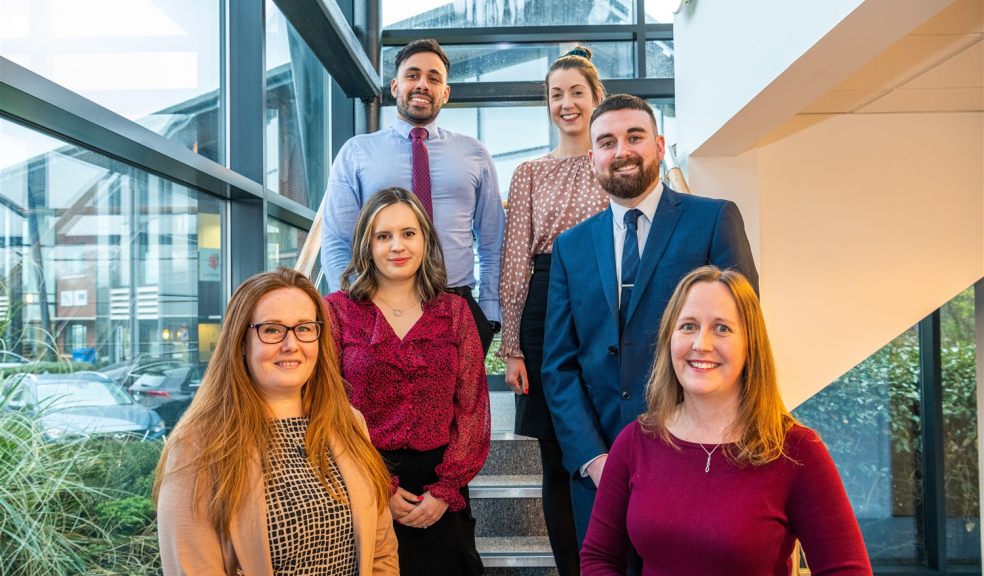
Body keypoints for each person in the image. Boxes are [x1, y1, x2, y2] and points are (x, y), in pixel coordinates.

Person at [541, 93, 759, 547]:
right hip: (600, 475)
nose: (621, 151)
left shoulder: (714, 219)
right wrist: (594, 459)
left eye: (634, 137)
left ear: (659, 145)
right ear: (592, 158)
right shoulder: (570, 247)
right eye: (607, 142)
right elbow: (558, 366)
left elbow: (740, 341)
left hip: (698, 459)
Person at [581, 266, 873, 574]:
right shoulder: (635, 441)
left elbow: (847, 570)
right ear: (669, 339)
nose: (701, 344)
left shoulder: (796, 450)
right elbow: (599, 557)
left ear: (750, 345)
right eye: (689, 326)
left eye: (722, 328)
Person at [154, 268, 398, 575]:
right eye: (271, 330)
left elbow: (381, 553)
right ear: (241, 342)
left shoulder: (349, 424)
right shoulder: (197, 444)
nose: (291, 344)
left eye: (304, 328)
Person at [325, 187, 491, 576]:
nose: (396, 246)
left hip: (440, 487)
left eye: (408, 233)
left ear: (425, 240)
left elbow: (472, 407)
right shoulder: (337, 311)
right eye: (383, 236)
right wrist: (378, 485)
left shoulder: (454, 311)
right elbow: (327, 405)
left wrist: (445, 490)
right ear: (367, 245)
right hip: (361, 479)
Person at [498, 46, 609, 575]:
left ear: (596, 99)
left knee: (612, 443)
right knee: (555, 458)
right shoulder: (529, 173)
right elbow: (515, 259)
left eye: (576, 93)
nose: (566, 104)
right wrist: (512, 347)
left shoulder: (614, 163)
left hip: (606, 302)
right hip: (545, 305)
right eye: (555, 95)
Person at [321, 38, 504, 355]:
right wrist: (351, 307)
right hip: (378, 306)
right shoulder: (356, 153)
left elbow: (493, 241)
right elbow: (337, 239)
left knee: (460, 404)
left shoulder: (474, 154)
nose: (422, 84)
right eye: (412, 75)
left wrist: (488, 312)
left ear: (445, 93)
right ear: (395, 86)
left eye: (434, 78)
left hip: (457, 307)